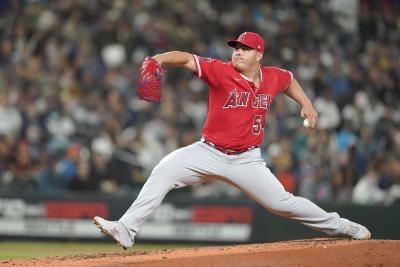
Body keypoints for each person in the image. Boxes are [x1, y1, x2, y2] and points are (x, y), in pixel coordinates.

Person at [94, 32, 371, 249]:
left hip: (246, 159)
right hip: (208, 151)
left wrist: (307, 104)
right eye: (236, 47)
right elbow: (187, 58)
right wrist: (160, 59)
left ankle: (342, 226)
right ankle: (126, 229)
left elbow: (289, 80)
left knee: (283, 204)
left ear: (259, 55)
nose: (237, 52)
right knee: (164, 169)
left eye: (245, 48)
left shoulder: (272, 76)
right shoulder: (220, 70)